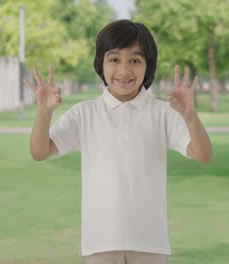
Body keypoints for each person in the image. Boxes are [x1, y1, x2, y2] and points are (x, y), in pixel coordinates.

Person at [24, 19, 213, 264]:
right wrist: (44, 112)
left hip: (150, 242)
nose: (124, 71)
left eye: (135, 60)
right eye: (114, 59)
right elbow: (40, 152)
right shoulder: (85, 113)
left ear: (148, 66)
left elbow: (203, 154)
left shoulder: (162, 113)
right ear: (101, 64)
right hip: (100, 242)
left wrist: (189, 115)